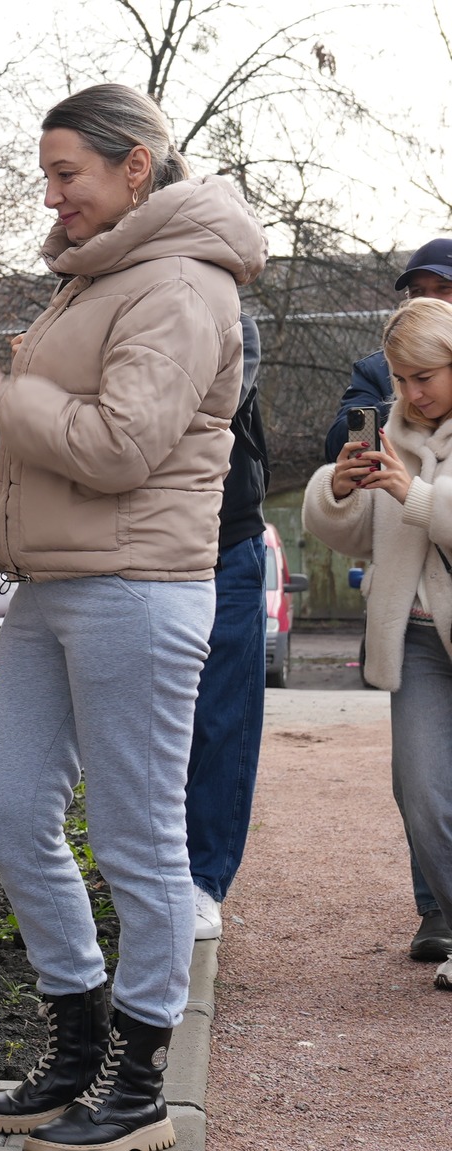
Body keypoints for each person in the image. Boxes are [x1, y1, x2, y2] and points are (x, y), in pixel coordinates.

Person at [0, 83, 265, 1151]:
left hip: (137, 590)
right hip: (52, 585)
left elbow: (117, 446)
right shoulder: (94, 279)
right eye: (46, 173)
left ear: (135, 166)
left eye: (66, 172)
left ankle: (138, 1078)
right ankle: (74, 1038)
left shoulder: (179, 285)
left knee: (136, 843)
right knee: (9, 808)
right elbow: (36, 450)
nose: (51, 193)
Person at [303, 297, 452, 994]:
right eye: (399, 378)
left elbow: (423, 511)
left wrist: (413, 492)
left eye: (424, 376)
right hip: (416, 639)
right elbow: (360, 533)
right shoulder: (392, 428)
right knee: (420, 793)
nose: (410, 393)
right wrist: (336, 490)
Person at [184, 314, 269, 942]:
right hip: (127, 549)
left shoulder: (230, 318)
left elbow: (181, 411)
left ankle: (203, 879)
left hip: (225, 543)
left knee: (219, 718)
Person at [321, 239, 452, 464]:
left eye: (444, 288)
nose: (429, 299)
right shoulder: (376, 368)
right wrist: (405, 411)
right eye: (417, 292)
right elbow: (340, 445)